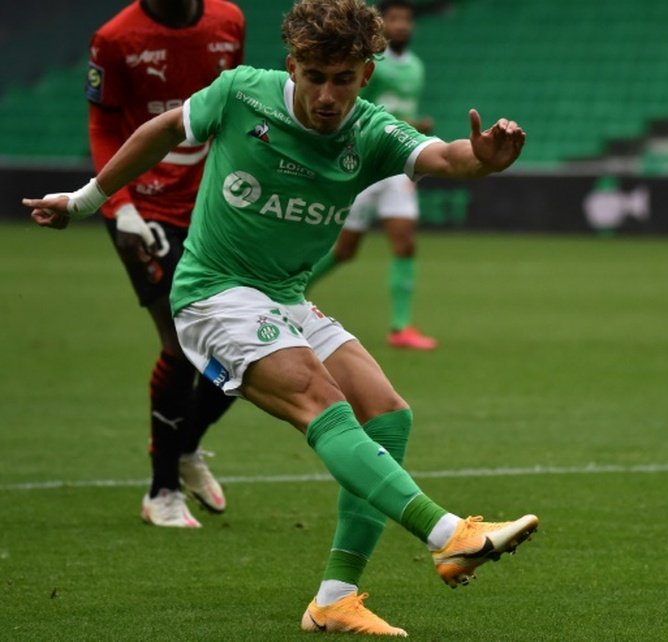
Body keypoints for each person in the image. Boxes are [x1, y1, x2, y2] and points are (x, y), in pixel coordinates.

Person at [25, 0, 538, 636]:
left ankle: (334, 599)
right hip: (213, 292)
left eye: (343, 79)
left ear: (365, 77)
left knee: (388, 414)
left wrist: (484, 158)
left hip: (284, 296)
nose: (327, 95)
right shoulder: (242, 94)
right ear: (291, 65)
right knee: (322, 401)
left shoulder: (371, 133)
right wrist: (85, 200)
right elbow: (159, 131)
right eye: (314, 76)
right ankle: (450, 533)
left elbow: (446, 157)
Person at [87, 0, 245, 527]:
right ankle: (162, 491)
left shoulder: (229, 21)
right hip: (145, 212)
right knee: (181, 344)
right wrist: (119, 206)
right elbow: (104, 128)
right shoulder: (115, 38)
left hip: (215, 206)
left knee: (249, 348)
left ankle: (184, 444)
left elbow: (230, 112)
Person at [308, 0, 438, 351]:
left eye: (406, 19)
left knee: (405, 243)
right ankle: (291, 293)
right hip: (363, 161)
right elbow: (357, 111)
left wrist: (413, 127)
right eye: (393, 19)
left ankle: (400, 327)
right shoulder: (370, 67)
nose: (401, 25)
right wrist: (415, 126)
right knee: (345, 250)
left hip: (395, 165)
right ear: (381, 24)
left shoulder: (416, 67)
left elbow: (401, 112)